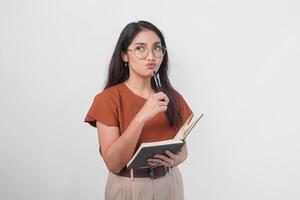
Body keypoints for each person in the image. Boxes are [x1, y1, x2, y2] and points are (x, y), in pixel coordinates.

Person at [84, 20, 193, 200]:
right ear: (124, 55)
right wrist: (141, 116)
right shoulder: (107, 100)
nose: (151, 56)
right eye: (140, 48)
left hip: (170, 182)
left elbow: (182, 148)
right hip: (129, 186)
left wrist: (179, 159)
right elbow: (113, 163)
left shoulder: (172, 97)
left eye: (157, 48)